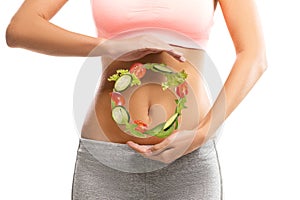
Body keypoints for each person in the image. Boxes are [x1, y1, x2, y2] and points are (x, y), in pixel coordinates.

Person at [6, 0, 267, 199]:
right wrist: (109, 45)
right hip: (106, 163)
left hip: (188, 160)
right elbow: (20, 29)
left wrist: (200, 135)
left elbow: (254, 55)